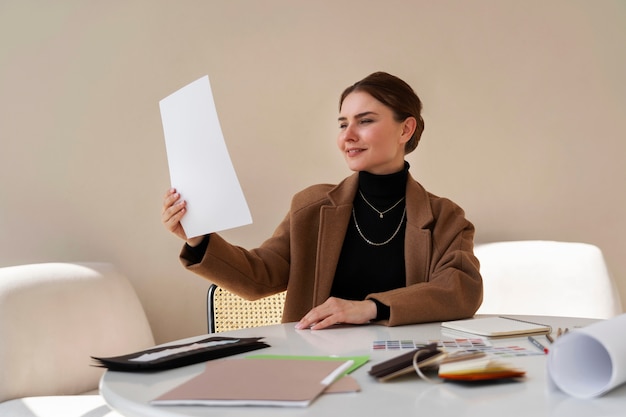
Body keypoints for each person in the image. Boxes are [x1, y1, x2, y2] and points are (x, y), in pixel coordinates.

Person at [162, 71, 483, 330]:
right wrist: (200, 238)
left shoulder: (445, 216)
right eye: (343, 124)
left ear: (406, 129)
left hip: (406, 365)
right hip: (317, 366)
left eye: (365, 120)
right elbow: (259, 277)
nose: (348, 136)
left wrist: (369, 308)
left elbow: (461, 289)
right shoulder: (312, 206)